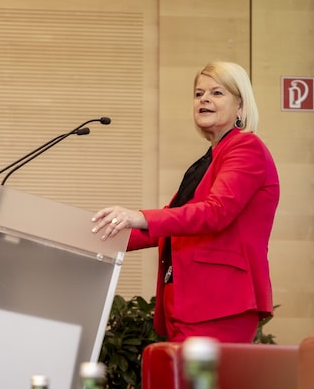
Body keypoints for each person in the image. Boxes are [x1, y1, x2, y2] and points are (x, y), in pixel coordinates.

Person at [92, 61, 279, 343]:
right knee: (181, 388)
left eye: (217, 93)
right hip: (185, 301)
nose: (204, 99)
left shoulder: (246, 148)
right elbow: (170, 222)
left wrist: (138, 216)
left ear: (240, 107)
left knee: (203, 388)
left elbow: (217, 212)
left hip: (220, 301)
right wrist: (93, 236)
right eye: (198, 93)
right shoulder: (208, 159)